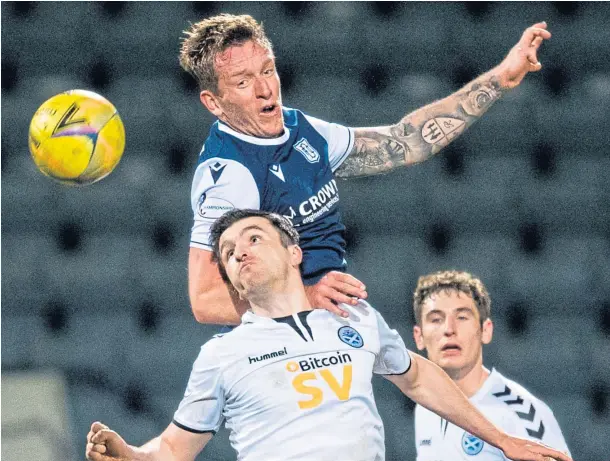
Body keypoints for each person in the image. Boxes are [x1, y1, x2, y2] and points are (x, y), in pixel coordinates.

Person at [85, 210, 572, 461]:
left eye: (253, 237)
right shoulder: (223, 355)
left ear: (294, 252)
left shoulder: (354, 317)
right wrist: (131, 454)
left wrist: (504, 439)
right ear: (230, 278)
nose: (239, 252)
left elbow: (418, 376)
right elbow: (173, 449)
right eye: (229, 252)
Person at [179, 14, 552, 325]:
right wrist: (305, 297)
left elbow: (407, 142)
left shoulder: (299, 129)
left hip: (331, 321)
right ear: (214, 102)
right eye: (243, 82)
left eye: (268, 70)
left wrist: (502, 77)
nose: (265, 89)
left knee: (415, 377)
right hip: (283, 344)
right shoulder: (230, 173)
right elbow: (205, 300)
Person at [411, 270, 571, 460]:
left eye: (462, 317)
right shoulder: (425, 406)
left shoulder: (524, 413)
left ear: (485, 331)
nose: (449, 329)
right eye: (436, 319)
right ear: (418, 336)